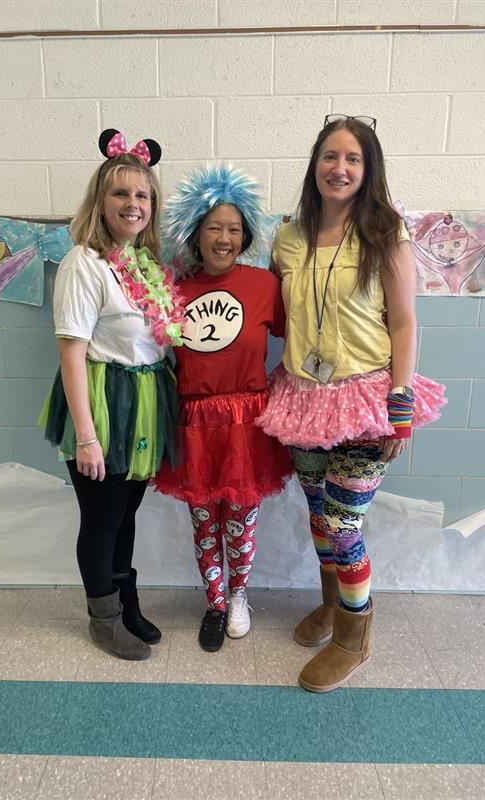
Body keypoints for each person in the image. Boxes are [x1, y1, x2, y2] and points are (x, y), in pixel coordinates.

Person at [256, 115, 446, 691]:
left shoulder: (387, 232)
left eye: (353, 159)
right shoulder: (287, 237)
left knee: (343, 519)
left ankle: (353, 636)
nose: (340, 168)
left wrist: (402, 400)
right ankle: (334, 604)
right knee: (318, 513)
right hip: (304, 398)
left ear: (368, 170)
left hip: (367, 395)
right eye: (330, 157)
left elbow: (405, 322)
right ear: (315, 165)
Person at [38, 129, 186, 661]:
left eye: (142, 194)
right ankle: (103, 619)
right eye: (121, 193)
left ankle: (126, 603)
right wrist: (87, 437)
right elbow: (71, 352)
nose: (133, 203)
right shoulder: (85, 262)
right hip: (103, 404)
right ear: (101, 201)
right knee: (102, 517)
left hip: (144, 401)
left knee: (125, 515)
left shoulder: (141, 265)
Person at [154, 164, 294, 652]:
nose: (224, 237)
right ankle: (214, 601)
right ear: (196, 232)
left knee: (240, 517)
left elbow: (295, 338)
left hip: (246, 422)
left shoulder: (264, 286)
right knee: (203, 518)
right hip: (194, 419)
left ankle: (239, 597)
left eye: (234, 228)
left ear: (246, 235)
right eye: (214, 226)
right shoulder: (172, 290)